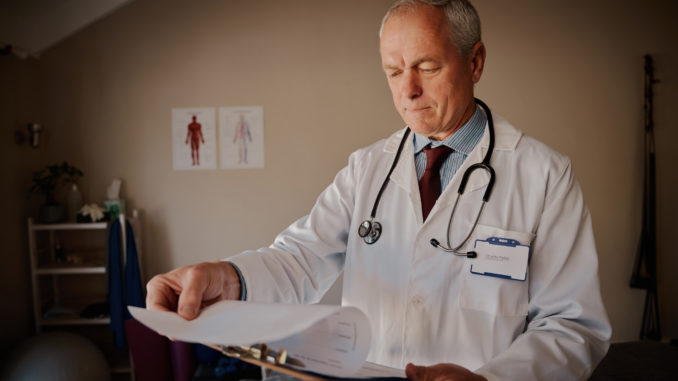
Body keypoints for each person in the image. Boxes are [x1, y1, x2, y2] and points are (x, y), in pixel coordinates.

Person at [147, 1, 611, 380]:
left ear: (476, 61)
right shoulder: (366, 168)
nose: (407, 90)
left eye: (426, 66)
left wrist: (492, 380)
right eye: (393, 71)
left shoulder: (544, 176)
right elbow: (299, 259)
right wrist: (223, 276)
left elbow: (573, 326)